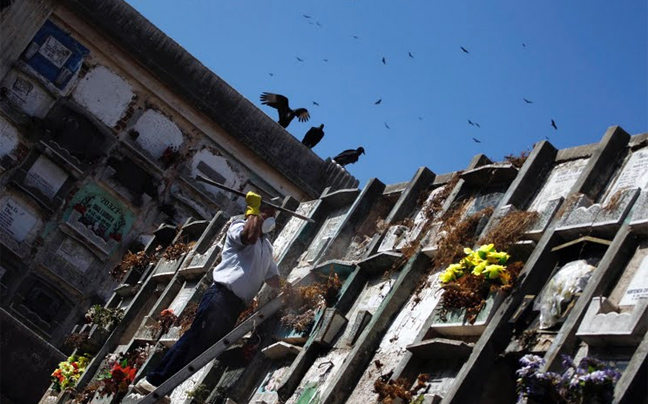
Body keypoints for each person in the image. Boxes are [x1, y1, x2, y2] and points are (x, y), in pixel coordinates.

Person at [134, 191, 282, 395]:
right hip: (221, 296)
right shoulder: (239, 228)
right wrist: (252, 212)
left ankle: (164, 387)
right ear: (255, 212)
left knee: (202, 350)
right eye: (267, 214)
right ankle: (153, 380)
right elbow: (249, 236)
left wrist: (291, 289)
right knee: (196, 338)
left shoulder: (267, 247)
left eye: (274, 216)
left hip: (235, 305)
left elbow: (273, 278)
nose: (271, 220)